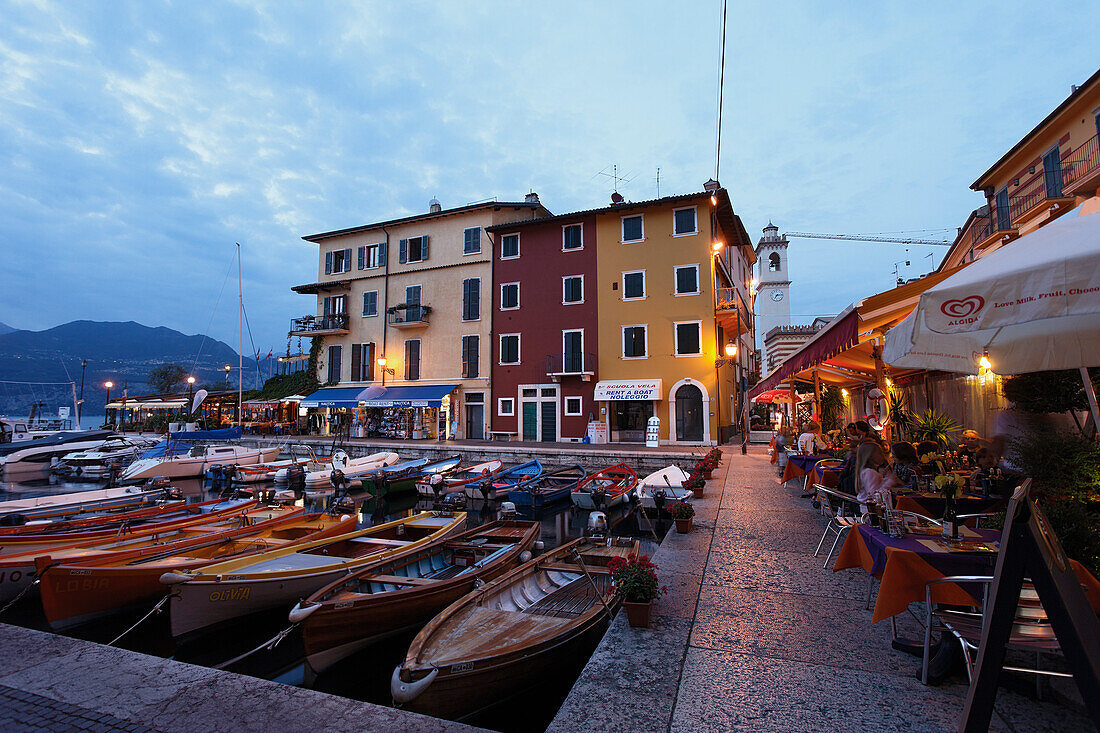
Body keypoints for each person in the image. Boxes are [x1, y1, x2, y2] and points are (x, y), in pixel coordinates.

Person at [854, 442, 903, 506]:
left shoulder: (865, 471)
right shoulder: (870, 472)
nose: (882, 456)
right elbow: (875, 494)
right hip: (872, 510)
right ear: (870, 456)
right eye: (879, 453)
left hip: (865, 507)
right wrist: (890, 481)